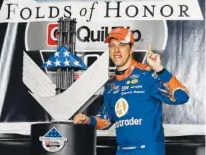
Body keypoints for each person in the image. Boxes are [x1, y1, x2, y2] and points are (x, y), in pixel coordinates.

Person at [73, 27, 189, 155]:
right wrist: (88, 120)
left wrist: (159, 69)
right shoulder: (111, 84)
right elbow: (106, 121)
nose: (116, 50)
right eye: (112, 45)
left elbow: (182, 96)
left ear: (132, 48)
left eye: (122, 45)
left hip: (148, 150)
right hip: (122, 151)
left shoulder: (147, 75)